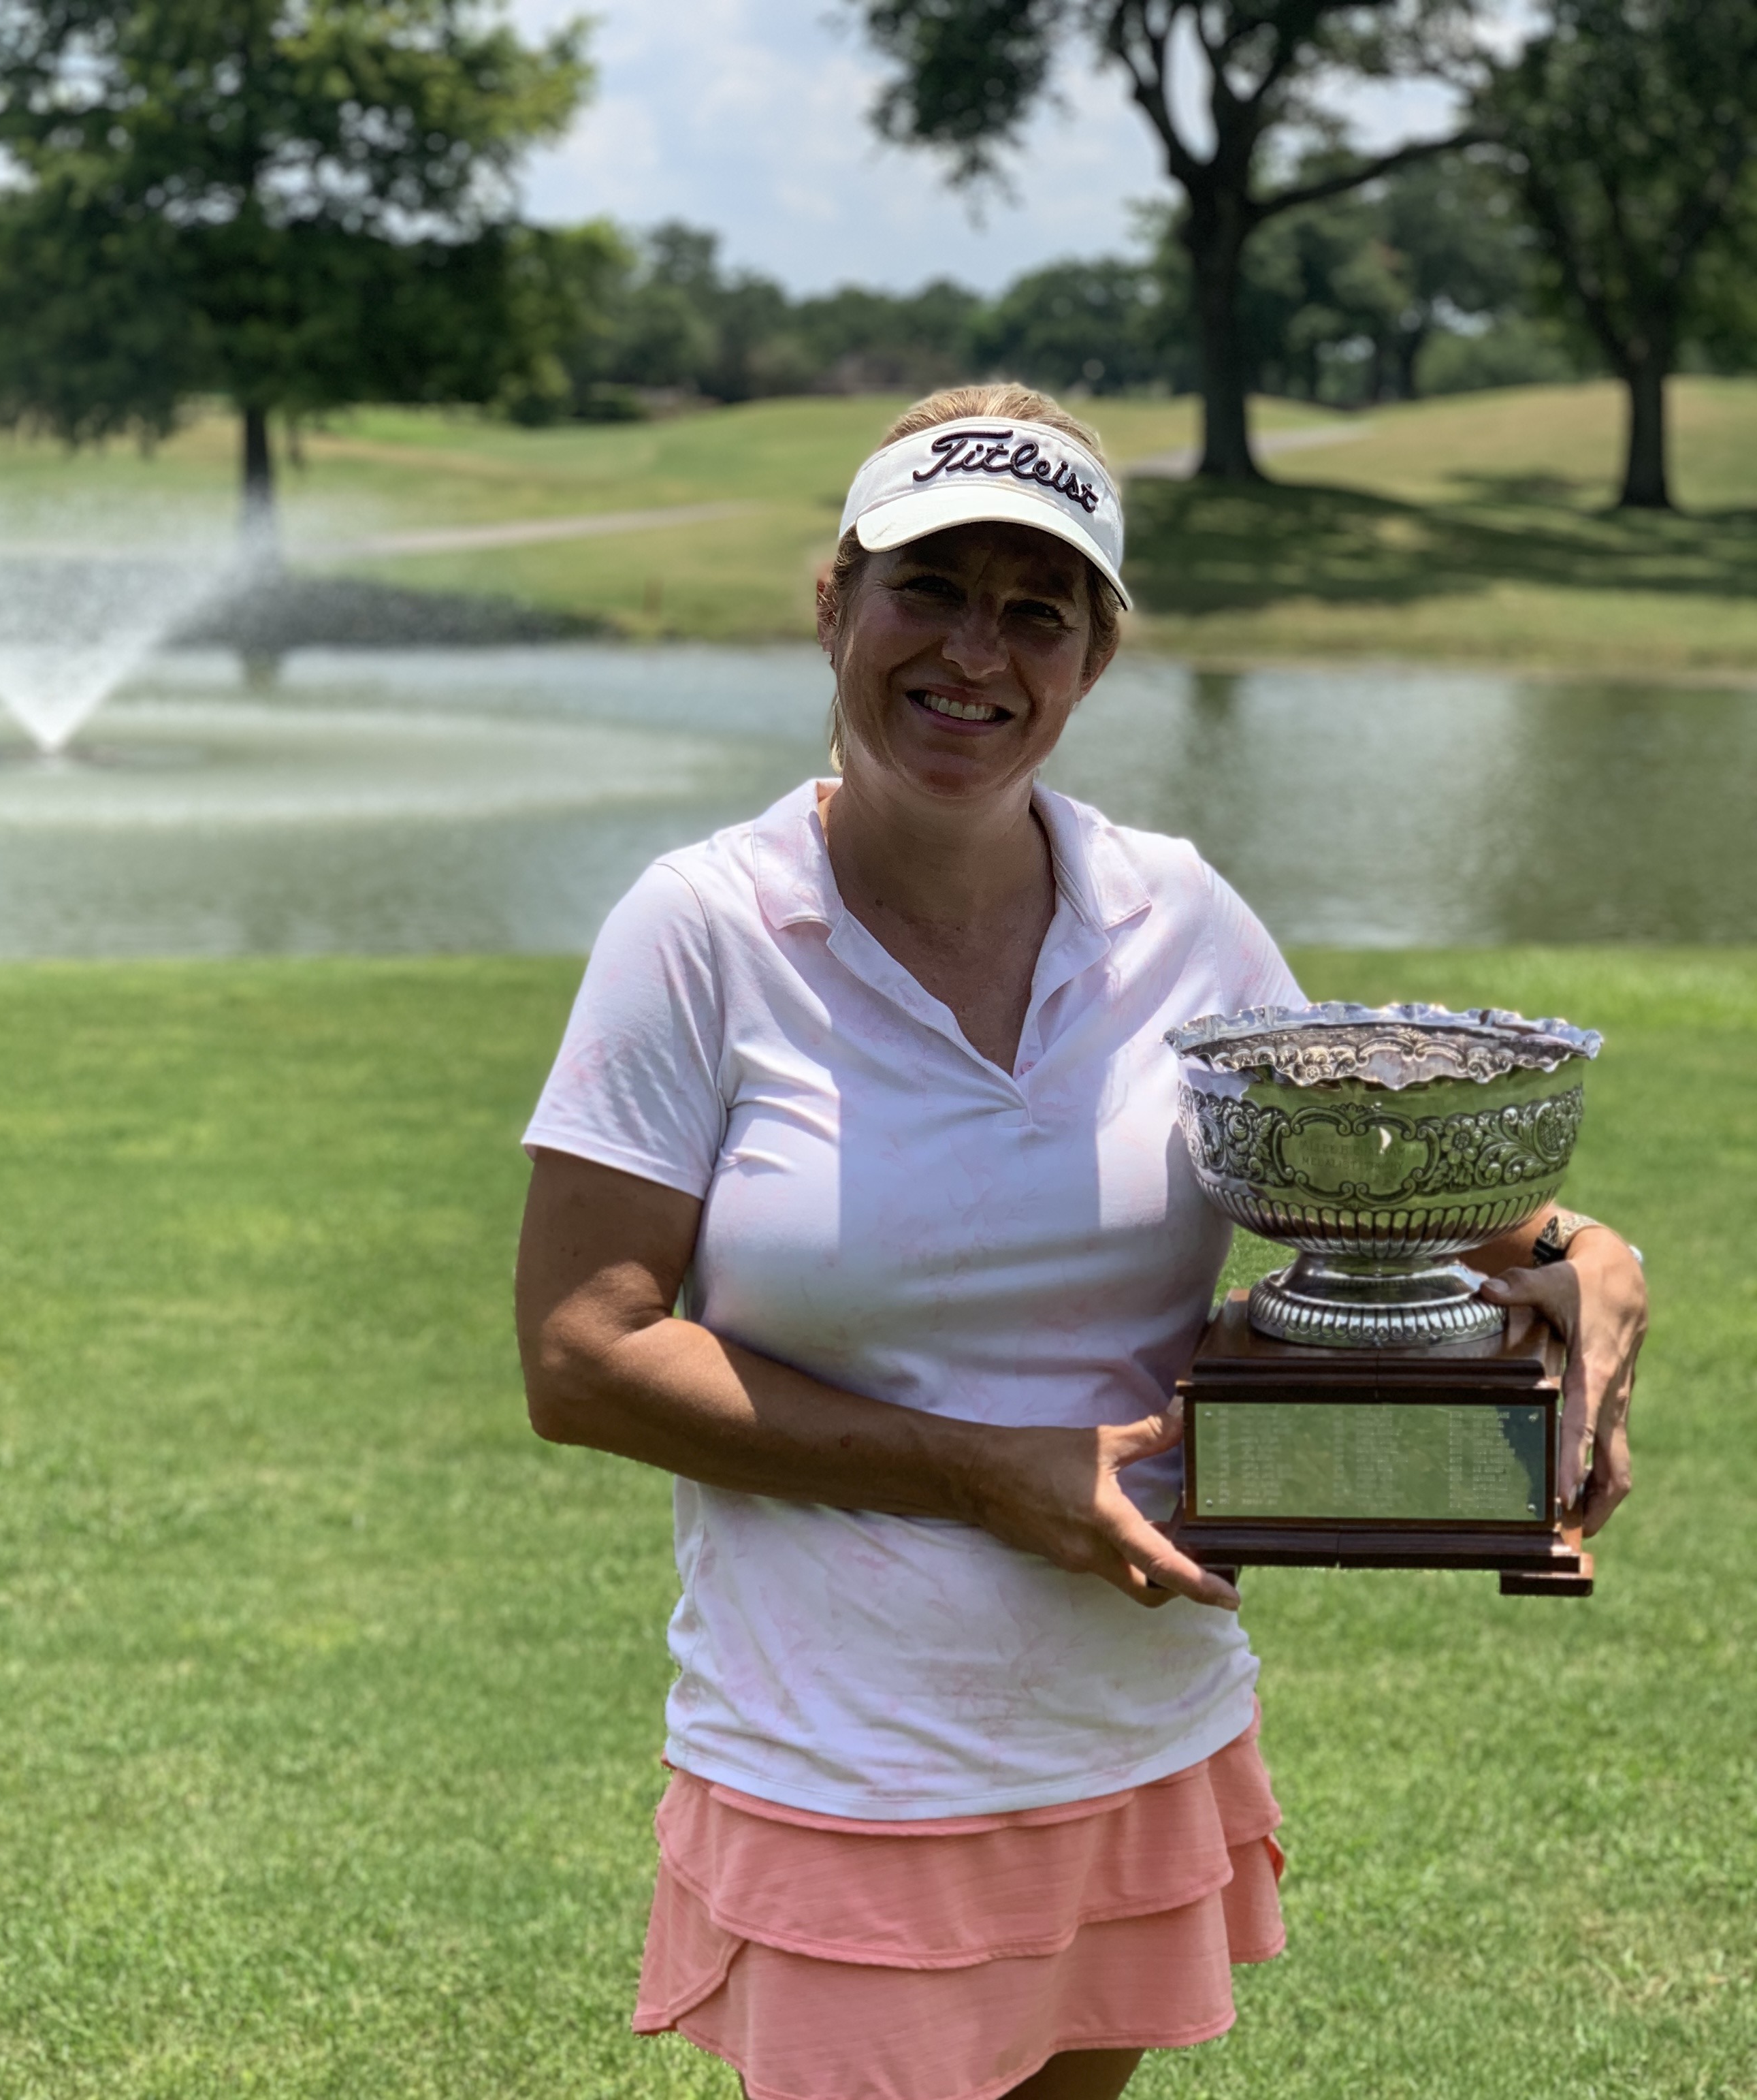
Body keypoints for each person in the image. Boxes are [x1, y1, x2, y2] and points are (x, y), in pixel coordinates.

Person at [513, 383, 1648, 2100]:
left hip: (1135, 1730)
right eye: (930, 588)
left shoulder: (1177, 914)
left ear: (1094, 659)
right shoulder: (703, 929)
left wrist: (1572, 1250)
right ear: (834, 603)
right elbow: (585, 1355)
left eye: (1036, 609)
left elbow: (1355, 1173)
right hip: (849, 1762)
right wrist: (987, 1474)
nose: (977, 650)